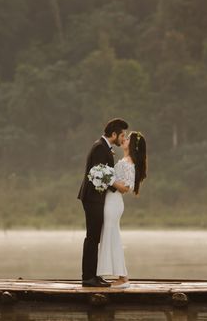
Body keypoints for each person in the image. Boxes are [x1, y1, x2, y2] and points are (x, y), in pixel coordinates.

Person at [77, 118, 128, 287]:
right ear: (114, 134)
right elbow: (97, 173)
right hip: (92, 198)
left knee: (96, 236)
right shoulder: (100, 147)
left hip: (97, 198)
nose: (123, 139)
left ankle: (94, 276)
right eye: (122, 135)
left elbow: (104, 175)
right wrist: (117, 186)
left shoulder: (104, 146)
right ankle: (88, 277)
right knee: (92, 237)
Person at [96, 131, 147, 288]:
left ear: (132, 145)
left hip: (114, 203)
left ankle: (123, 277)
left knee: (113, 237)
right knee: (111, 236)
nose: (124, 139)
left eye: (127, 138)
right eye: (124, 137)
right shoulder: (125, 160)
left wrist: (108, 179)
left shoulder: (129, 162)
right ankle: (120, 275)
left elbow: (126, 187)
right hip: (110, 201)